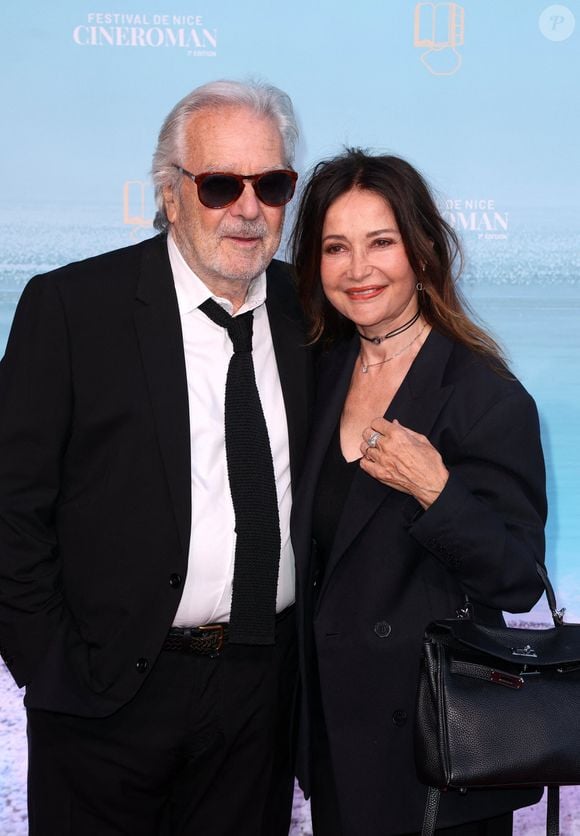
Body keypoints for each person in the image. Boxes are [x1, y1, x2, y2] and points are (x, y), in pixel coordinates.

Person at [0, 79, 313, 836]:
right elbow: (12, 508)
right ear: (171, 195)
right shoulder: (72, 310)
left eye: (270, 185)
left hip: (260, 696)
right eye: (218, 185)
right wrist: (55, 668)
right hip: (107, 695)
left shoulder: (315, 313)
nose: (248, 208)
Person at [289, 149, 547, 836]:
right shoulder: (316, 378)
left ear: (423, 250)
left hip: (436, 761)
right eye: (335, 247)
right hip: (337, 746)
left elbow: (518, 578)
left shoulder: (484, 396)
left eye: (381, 242)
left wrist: (439, 491)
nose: (357, 269)